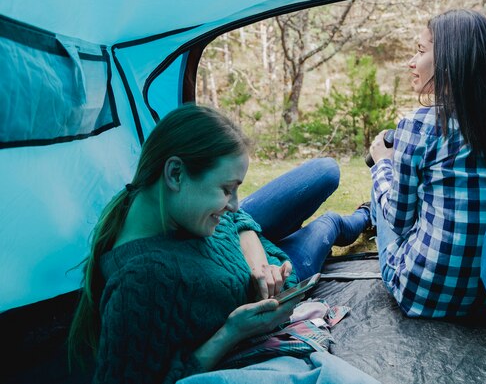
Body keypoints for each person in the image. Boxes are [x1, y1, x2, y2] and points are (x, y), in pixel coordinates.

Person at [68, 105, 370, 384]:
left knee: (325, 171)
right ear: (175, 174)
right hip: (288, 266)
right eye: (227, 189)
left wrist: (258, 264)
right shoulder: (143, 281)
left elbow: (238, 219)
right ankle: (364, 217)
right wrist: (232, 332)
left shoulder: (170, 209)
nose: (234, 203)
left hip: (251, 246)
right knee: (327, 226)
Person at [367, 9, 486, 318]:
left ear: (449, 59)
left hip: (423, 292)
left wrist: (381, 164)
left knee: (383, 184)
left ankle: (364, 214)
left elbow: (400, 221)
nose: (411, 62)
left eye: (420, 50)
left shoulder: (419, 125)